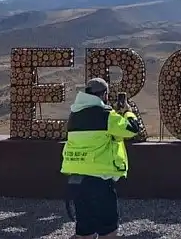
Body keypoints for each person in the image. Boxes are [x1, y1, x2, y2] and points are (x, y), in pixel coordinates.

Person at [60, 77, 141, 239]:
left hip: (76, 177)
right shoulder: (106, 115)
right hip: (98, 178)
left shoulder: (74, 115)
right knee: (108, 227)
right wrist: (127, 111)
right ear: (104, 95)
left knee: (85, 227)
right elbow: (132, 129)